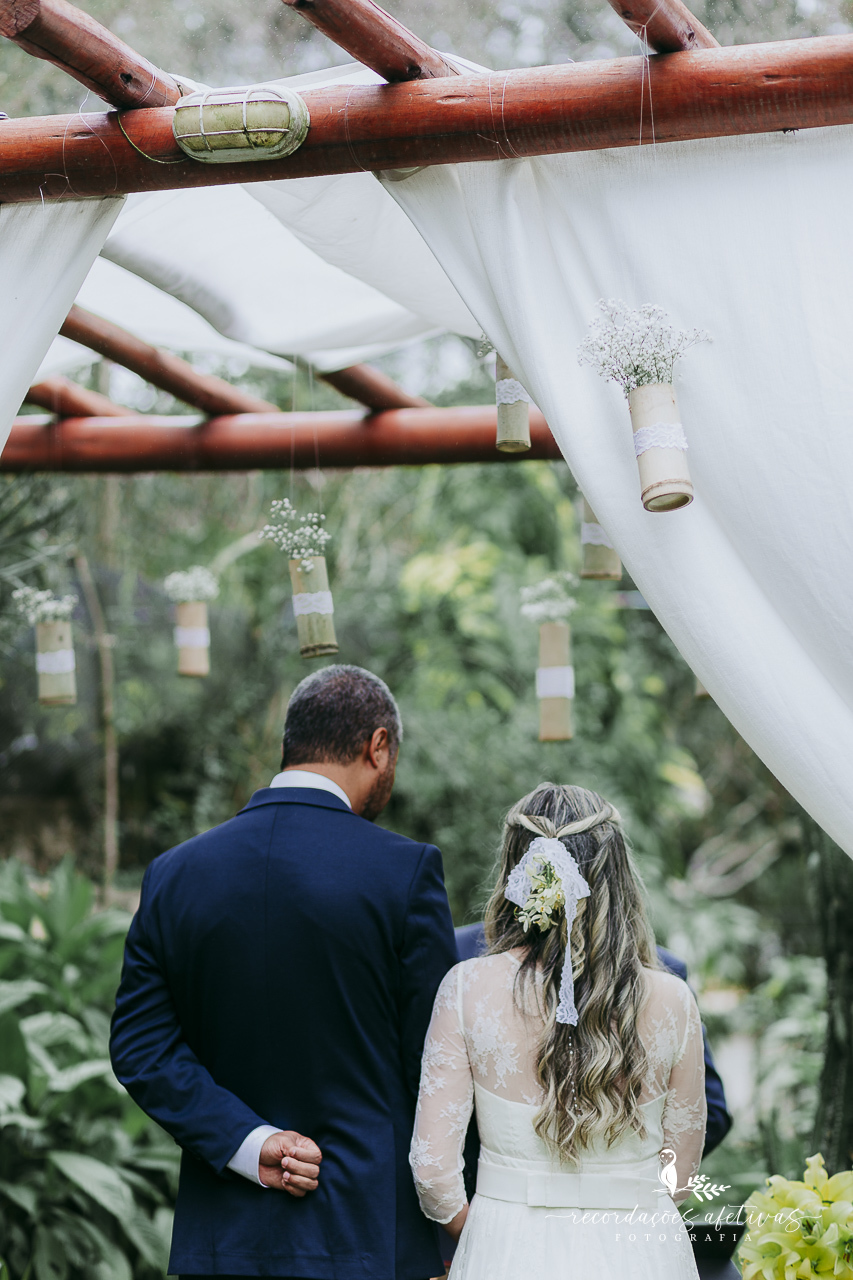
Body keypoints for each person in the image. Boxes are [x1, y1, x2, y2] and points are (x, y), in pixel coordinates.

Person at [110, 665, 458, 1280]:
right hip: (373, 1237)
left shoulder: (174, 874)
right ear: (377, 747)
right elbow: (431, 1063)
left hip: (225, 1245)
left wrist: (248, 1143)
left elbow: (140, 1048)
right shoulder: (404, 873)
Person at [411, 782, 707, 1280]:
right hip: (640, 1250)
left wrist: (489, 1231)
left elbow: (433, 1170)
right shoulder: (672, 999)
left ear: (517, 871)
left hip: (505, 1250)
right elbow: (680, 1176)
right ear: (614, 872)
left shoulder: (466, 989)